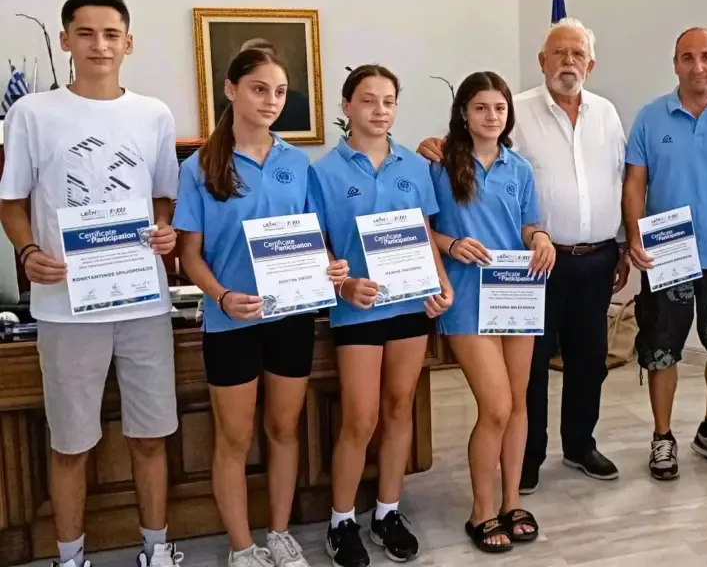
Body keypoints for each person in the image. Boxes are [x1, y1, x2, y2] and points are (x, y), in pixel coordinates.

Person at [0, 0, 182, 567]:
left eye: (111, 34)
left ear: (129, 43)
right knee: (71, 441)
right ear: (65, 41)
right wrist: (28, 250)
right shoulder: (32, 113)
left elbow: (163, 199)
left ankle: (156, 549)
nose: (99, 45)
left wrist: (164, 231)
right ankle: (70, 557)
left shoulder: (153, 114)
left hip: (143, 302)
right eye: (86, 33)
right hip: (64, 306)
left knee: (151, 435)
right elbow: (11, 202)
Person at [417, 18, 629, 493]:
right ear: (542, 61)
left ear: (591, 64)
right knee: (529, 369)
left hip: (593, 256)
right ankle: (527, 458)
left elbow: (618, 178)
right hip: (528, 268)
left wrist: (619, 245)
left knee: (589, 358)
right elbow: (463, 157)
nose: (568, 61)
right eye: (559, 53)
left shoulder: (607, 114)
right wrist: (433, 146)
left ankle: (580, 444)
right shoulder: (518, 109)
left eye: (578, 54)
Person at [174, 47, 347, 567]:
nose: (271, 101)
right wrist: (222, 296)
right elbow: (188, 255)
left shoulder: (296, 163)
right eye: (258, 89)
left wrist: (332, 267)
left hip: (291, 316)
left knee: (285, 429)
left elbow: (313, 239)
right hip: (231, 321)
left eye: (279, 92)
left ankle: (279, 532)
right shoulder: (200, 166)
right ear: (231, 90)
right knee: (234, 438)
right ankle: (241, 546)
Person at [307, 65, 453, 566]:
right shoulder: (323, 172)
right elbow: (317, 244)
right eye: (368, 100)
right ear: (346, 106)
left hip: (411, 305)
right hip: (358, 309)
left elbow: (425, 231)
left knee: (398, 409)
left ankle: (388, 512)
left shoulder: (415, 165)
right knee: (360, 417)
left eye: (388, 101)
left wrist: (442, 282)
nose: (379, 110)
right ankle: (341, 521)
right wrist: (343, 283)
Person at [622, 27, 707, 481]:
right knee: (661, 347)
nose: (697, 66)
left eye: (706, 56)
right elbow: (635, 183)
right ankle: (662, 436)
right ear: (675, 64)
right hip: (666, 255)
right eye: (687, 57)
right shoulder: (650, 118)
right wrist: (634, 235)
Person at [428, 72, 555, 554]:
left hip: (516, 293)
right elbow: (422, 229)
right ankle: (480, 510)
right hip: (465, 296)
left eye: (499, 108)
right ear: (464, 113)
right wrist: (451, 244)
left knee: (518, 403)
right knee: (496, 406)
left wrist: (541, 239)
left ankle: (510, 501)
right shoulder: (440, 166)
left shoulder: (518, 168)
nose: (491, 116)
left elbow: (527, 225)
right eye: (481, 107)